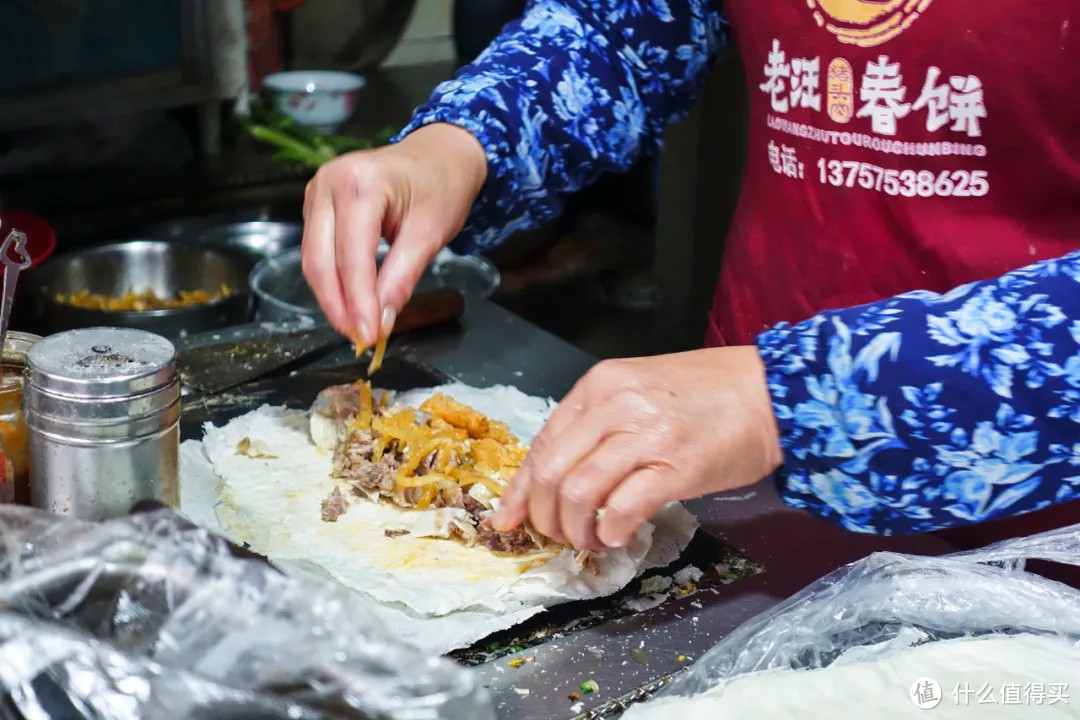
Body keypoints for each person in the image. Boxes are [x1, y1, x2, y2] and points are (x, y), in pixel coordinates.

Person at [301, 1, 1080, 551]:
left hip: (1034, 523)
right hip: (743, 476)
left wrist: (792, 398)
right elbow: (623, 29)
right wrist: (461, 144)